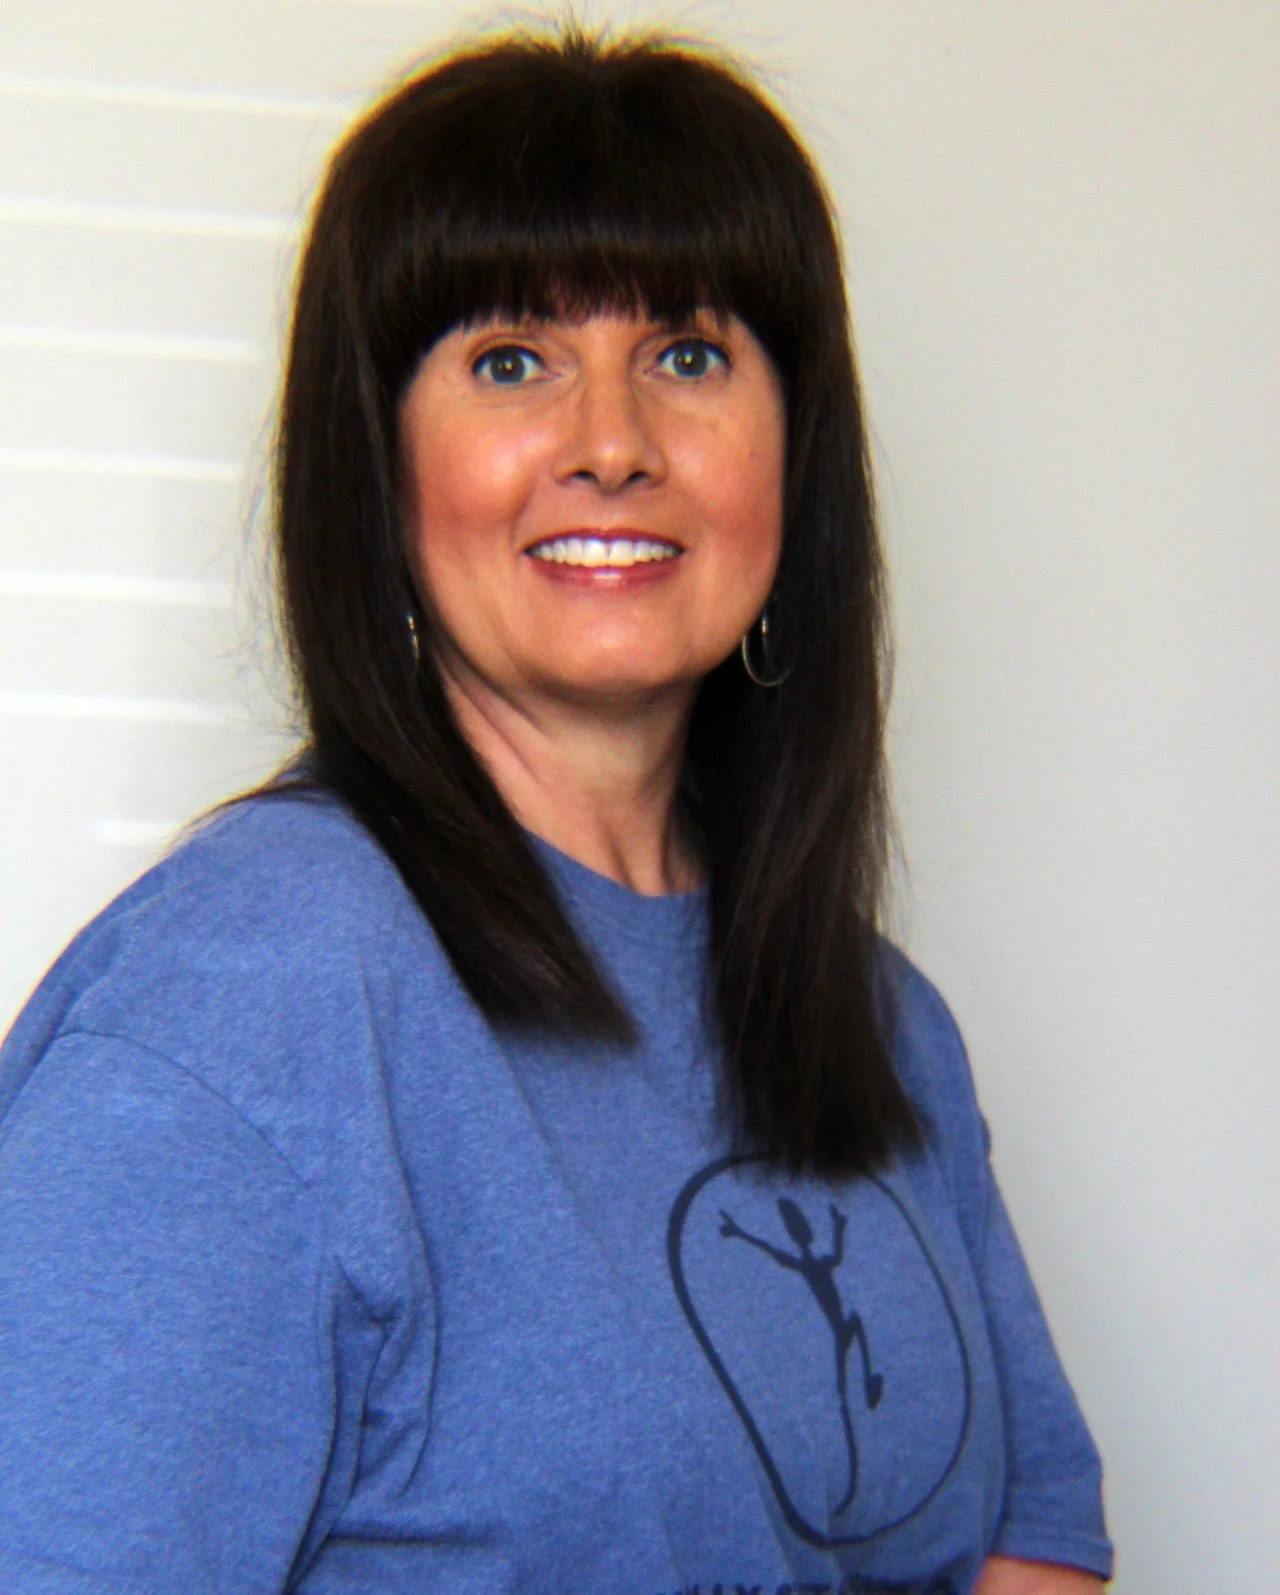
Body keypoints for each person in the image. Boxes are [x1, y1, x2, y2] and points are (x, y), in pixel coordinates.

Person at [0, 26, 1113, 1595]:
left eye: (690, 354)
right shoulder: (240, 1000)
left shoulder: (880, 1019)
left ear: (796, 455)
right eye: (512, 359)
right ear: (381, 465)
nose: (612, 445)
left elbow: (1033, 1531)